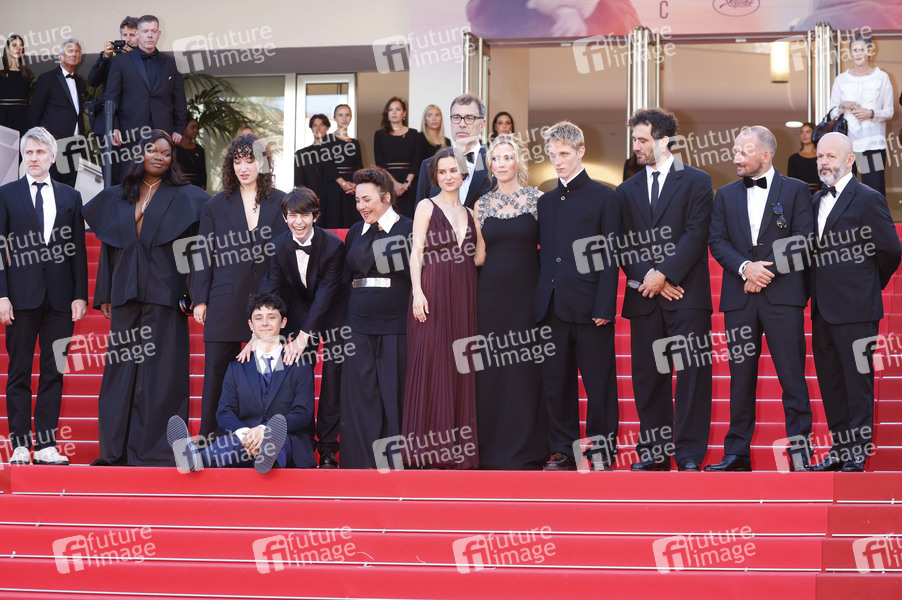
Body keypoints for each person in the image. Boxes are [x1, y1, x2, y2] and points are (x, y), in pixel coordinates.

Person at [83, 129, 208, 466]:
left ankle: (155, 452)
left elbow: (194, 250)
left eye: (167, 153)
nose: (159, 157)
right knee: (120, 374)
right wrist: (105, 293)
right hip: (125, 293)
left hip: (165, 294)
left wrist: (195, 294)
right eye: (153, 150)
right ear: (140, 153)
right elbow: (110, 247)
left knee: (162, 375)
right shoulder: (118, 196)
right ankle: (115, 452)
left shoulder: (187, 197)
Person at [706, 126, 814, 472]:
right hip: (740, 297)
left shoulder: (796, 190)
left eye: (744, 152)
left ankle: (799, 453)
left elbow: (803, 238)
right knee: (740, 380)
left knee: (792, 377)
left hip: (783, 296)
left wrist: (765, 272)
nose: (736, 158)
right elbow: (717, 240)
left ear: (766, 155)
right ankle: (737, 453)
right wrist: (745, 269)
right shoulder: (725, 194)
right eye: (735, 151)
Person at [617, 107, 714, 472]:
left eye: (642, 140)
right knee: (648, 376)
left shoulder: (697, 181)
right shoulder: (626, 190)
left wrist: (666, 275)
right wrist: (650, 278)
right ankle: (654, 453)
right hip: (645, 295)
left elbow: (696, 233)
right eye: (634, 139)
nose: (636, 146)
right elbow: (622, 242)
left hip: (687, 294)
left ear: (664, 140)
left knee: (692, 375)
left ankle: (689, 454)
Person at [808, 132, 901, 472]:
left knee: (857, 383)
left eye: (830, 156)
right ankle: (838, 450)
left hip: (858, 310)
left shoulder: (868, 199)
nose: (823, 162)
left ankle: (857, 453)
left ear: (849, 161)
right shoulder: (814, 201)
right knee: (831, 382)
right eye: (820, 156)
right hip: (821, 309)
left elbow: (891, 250)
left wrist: (868, 286)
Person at [534, 121, 619, 471]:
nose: (557, 160)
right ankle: (563, 451)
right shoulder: (545, 202)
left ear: (581, 151)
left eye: (564, 154)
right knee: (556, 384)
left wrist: (604, 306)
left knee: (599, 386)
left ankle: (602, 452)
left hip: (590, 308)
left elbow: (611, 256)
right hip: (551, 307)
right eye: (552, 154)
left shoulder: (606, 197)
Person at [0, 127, 88, 465]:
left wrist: (80, 295)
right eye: (29, 153)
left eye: (40, 152)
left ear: (53, 156)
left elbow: (78, 248)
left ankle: (47, 444)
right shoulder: (7, 194)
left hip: (60, 300)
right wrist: (2, 295)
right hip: (20, 299)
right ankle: (21, 445)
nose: (33, 158)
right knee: (19, 372)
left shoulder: (70, 197)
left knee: (54, 372)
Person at [191, 133, 287, 442]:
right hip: (225, 299)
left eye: (250, 161)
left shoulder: (281, 201)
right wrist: (200, 298)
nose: (243, 168)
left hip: (268, 300)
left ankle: (262, 440)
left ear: (263, 163)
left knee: (266, 373)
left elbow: (286, 251)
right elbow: (204, 252)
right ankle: (209, 439)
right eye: (237, 161)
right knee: (217, 372)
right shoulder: (214, 205)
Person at [253, 187, 349, 468]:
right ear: (285, 217)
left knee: (333, 375)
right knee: (298, 374)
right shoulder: (279, 245)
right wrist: (257, 333)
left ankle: (329, 448)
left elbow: (327, 294)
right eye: (292, 215)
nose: (298, 221)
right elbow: (270, 287)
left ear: (315, 216)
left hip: (335, 311)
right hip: (299, 309)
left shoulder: (333, 245)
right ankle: (303, 444)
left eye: (304, 215)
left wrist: (305, 336)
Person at [166, 293, 316, 473]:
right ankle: (196, 459)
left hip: (286, 440)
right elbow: (225, 412)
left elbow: (303, 414)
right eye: (258, 318)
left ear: (283, 322)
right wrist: (246, 434)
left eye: (271, 317)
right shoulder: (236, 368)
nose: (265, 323)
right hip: (244, 442)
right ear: (251, 325)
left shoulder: (300, 366)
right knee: (230, 442)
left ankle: (267, 455)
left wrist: (265, 430)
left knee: (276, 441)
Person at [402, 147, 484, 469]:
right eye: (442, 172)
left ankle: (457, 452)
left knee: (460, 367)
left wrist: (484, 222)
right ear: (435, 176)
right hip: (432, 292)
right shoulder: (426, 205)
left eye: (454, 171)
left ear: (463, 174)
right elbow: (416, 252)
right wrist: (417, 292)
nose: (449, 176)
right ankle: (425, 453)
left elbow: (479, 257)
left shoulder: (471, 212)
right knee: (431, 363)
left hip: (464, 292)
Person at [474, 134, 548, 469]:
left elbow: (550, 248)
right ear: (489, 165)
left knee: (524, 370)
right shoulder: (481, 204)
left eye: (507, 157)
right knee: (492, 370)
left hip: (527, 293)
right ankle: (491, 449)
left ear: (518, 162)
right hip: (490, 295)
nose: (501, 164)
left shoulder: (537, 199)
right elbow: (479, 256)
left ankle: (528, 449)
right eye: (496, 159)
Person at [340, 167, 413, 469]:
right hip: (358, 323)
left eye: (367, 199)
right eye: (357, 200)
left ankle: (395, 461)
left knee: (394, 392)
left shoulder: (408, 228)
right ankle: (360, 463)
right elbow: (344, 278)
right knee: (361, 393)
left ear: (386, 198)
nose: (361, 206)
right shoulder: (355, 232)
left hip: (396, 323)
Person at [105, 14, 188, 182]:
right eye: (145, 31)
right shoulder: (121, 62)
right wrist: (114, 126)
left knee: (163, 181)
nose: (149, 35)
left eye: (153, 31)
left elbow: (179, 98)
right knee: (130, 181)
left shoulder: (171, 63)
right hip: (130, 133)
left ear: (159, 34)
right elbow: (112, 97)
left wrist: (179, 128)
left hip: (163, 133)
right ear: (138, 34)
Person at [829, 33, 894, 198]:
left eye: (862, 50)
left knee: (874, 191)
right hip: (847, 147)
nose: (858, 54)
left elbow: (889, 111)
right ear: (850, 53)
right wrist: (843, 105)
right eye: (855, 50)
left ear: (870, 51)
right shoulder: (841, 80)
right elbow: (831, 113)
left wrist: (870, 113)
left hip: (872, 146)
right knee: (844, 191)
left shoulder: (881, 77)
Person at [416, 93, 493, 210]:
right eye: (456, 118)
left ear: (482, 125)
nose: (462, 124)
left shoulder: (495, 165)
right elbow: (419, 214)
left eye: (469, 118)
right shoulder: (429, 165)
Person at [28, 38, 85, 187]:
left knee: (69, 187)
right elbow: (35, 112)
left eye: (77, 51)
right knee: (51, 185)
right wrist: (38, 141)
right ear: (60, 56)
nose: (74, 54)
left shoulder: (80, 82)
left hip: (74, 143)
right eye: (70, 50)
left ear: (80, 58)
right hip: (53, 143)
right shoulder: (47, 79)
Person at [85, 16, 138, 136]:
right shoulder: (110, 56)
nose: (128, 39)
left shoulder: (144, 58)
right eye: (124, 35)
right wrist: (105, 58)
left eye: (132, 35)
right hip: (109, 120)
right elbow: (92, 81)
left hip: (134, 122)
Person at [373, 96, 420, 218]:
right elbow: (380, 163)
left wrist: (406, 184)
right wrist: (394, 184)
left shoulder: (413, 134)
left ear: (404, 113)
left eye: (398, 109)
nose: (394, 112)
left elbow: (416, 161)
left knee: (410, 219)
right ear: (387, 114)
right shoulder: (379, 135)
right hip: (387, 182)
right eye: (390, 110)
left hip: (410, 184)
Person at [321, 104, 363, 228]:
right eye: (340, 115)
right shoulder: (327, 139)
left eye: (347, 115)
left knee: (352, 224)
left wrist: (355, 185)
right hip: (334, 186)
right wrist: (343, 183)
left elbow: (359, 167)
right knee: (334, 222)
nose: (344, 118)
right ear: (335, 118)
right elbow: (328, 164)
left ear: (351, 117)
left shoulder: (355, 143)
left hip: (352, 189)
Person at [294, 113, 332, 200]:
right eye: (315, 125)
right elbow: (299, 182)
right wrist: (310, 199)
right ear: (311, 128)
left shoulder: (335, 153)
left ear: (327, 127)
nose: (318, 128)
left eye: (321, 125)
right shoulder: (301, 154)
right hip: (310, 201)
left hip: (332, 201)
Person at [0, 35, 32, 137]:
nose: (18, 48)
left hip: (23, 119)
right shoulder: (1, 74)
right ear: (7, 49)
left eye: (21, 46)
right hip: (3, 118)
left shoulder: (27, 74)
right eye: (14, 45)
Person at [786, 123, 820, 196]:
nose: (804, 135)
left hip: (820, 196)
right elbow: (791, 182)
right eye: (802, 132)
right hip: (799, 196)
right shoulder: (794, 158)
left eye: (808, 132)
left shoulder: (821, 156)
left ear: (815, 134)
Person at [175, 118, 207, 189]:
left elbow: (202, 170)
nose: (195, 130)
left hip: (196, 187)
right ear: (184, 128)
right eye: (192, 127)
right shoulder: (174, 148)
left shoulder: (199, 149)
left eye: (197, 128)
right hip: (177, 186)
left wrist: (203, 186)